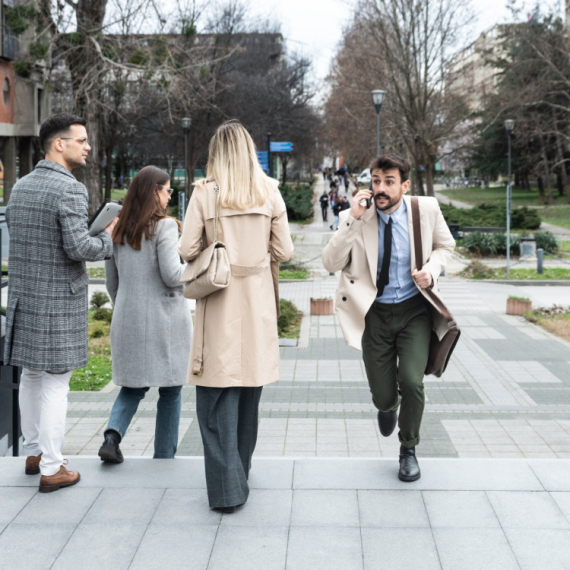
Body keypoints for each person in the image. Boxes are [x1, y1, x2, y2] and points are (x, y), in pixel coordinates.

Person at [178, 120, 294, 513]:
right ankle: (239, 473)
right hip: (258, 303)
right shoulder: (270, 192)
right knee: (248, 396)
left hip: (219, 302)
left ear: (217, 152)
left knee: (213, 400)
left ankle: (228, 490)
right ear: (248, 152)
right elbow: (286, 251)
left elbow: (186, 247)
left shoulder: (205, 194)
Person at [322, 154, 455, 482]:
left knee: (412, 381)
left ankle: (408, 449)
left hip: (413, 313)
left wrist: (431, 271)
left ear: (404, 185)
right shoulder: (356, 217)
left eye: (389, 182)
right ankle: (387, 406)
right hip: (374, 316)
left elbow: (445, 246)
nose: (380, 189)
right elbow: (330, 262)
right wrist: (352, 219)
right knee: (384, 395)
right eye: (376, 181)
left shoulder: (425, 210)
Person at [4, 113, 117, 493]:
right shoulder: (69, 189)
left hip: (25, 298)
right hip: (57, 302)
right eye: (81, 140)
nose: (88, 147)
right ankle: (53, 468)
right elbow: (79, 248)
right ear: (59, 144)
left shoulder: (19, 186)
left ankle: (34, 453)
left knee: (32, 377)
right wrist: (109, 238)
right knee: (56, 383)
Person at [98, 166, 191, 463]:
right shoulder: (164, 227)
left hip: (128, 318)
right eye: (167, 191)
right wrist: (197, 266)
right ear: (155, 191)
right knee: (171, 389)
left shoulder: (118, 227)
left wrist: (127, 305)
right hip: (166, 321)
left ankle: (112, 437)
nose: (169, 197)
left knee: (132, 387)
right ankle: (163, 456)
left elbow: (112, 282)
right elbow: (172, 274)